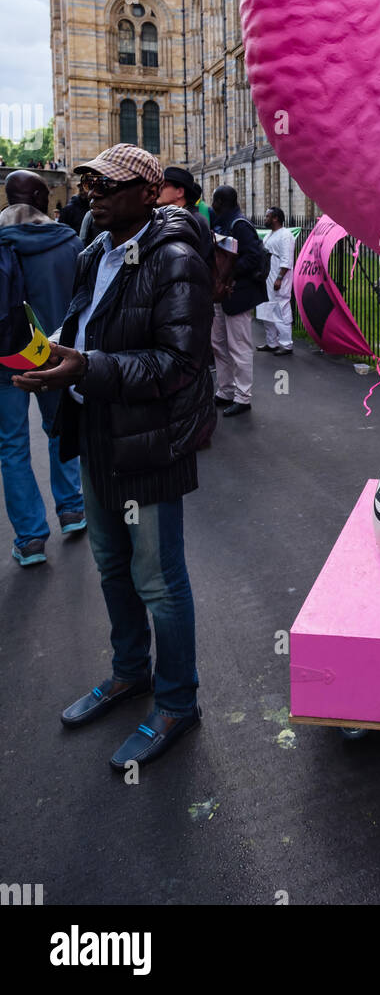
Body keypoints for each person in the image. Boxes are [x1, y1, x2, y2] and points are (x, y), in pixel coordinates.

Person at [12, 144, 214, 770]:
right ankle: (132, 673)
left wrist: (88, 366)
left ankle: (178, 702)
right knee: (111, 568)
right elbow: (85, 331)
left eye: (108, 184)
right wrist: (50, 357)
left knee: (159, 581)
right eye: (87, 182)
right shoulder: (93, 250)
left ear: (150, 193)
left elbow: (180, 363)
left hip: (148, 446)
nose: (93, 192)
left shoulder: (176, 257)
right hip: (97, 433)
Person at [0, 170, 85, 565]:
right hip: (53, 354)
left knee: (13, 446)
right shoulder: (67, 241)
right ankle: (71, 509)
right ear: (39, 196)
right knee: (59, 430)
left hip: (5, 360)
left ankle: (31, 538)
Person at [210, 185, 268, 418]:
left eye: (214, 201)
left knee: (239, 346)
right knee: (219, 344)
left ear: (222, 201)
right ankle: (226, 390)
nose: (212, 205)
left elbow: (253, 256)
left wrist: (230, 274)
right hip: (222, 294)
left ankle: (243, 397)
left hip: (237, 294)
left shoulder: (239, 224)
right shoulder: (224, 221)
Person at [157, 166, 214, 267]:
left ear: (179, 192)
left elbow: (200, 263)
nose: (158, 189)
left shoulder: (195, 221)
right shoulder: (171, 217)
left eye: (164, 185)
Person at [257, 207, 294, 354]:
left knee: (281, 310)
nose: (265, 219)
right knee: (267, 310)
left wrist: (279, 278)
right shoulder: (270, 235)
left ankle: (286, 345)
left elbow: (287, 259)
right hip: (267, 277)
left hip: (278, 278)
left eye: (267, 216)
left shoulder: (285, 235)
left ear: (275, 218)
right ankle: (271, 343)